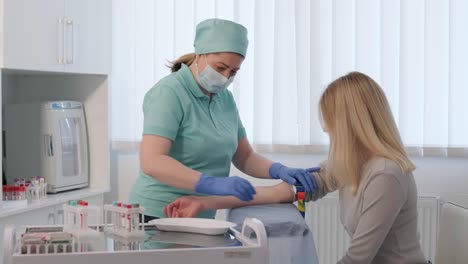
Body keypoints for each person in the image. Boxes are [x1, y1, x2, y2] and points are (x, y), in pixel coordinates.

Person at [165, 72, 429, 264]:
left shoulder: (385, 173)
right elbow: (280, 193)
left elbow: (358, 259)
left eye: (330, 122)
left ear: (350, 123)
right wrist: (204, 203)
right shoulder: (350, 164)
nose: (326, 129)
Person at [128, 18, 319, 222]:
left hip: (200, 213)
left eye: (233, 72)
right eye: (220, 68)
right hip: (158, 213)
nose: (226, 77)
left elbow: (244, 156)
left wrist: (279, 170)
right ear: (200, 54)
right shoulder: (169, 93)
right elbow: (152, 161)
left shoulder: (224, 98)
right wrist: (210, 183)